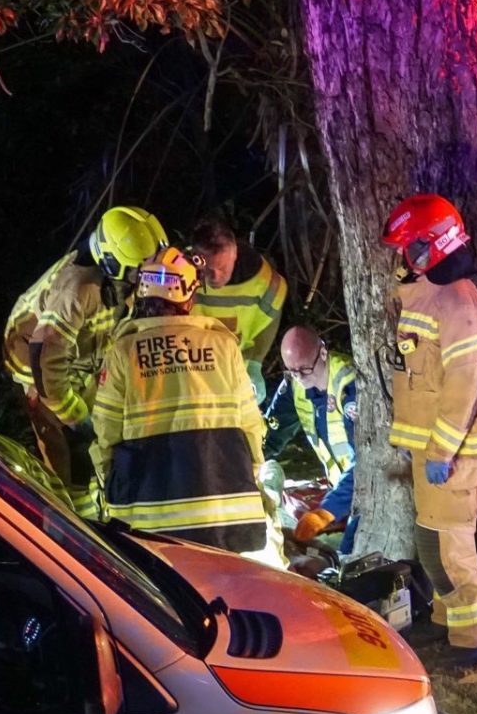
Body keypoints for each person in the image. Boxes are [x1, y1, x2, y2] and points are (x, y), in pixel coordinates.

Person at [382, 193, 477, 665]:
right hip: (434, 448)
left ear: (429, 248)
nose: (402, 258)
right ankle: (447, 621)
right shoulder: (432, 293)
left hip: (455, 451)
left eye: (408, 248)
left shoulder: (456, 303)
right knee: (430, 540)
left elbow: (466, 384)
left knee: (447, 547)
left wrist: (440, 450)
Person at [90, 248, 271, 555]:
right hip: (225, 516)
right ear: (188, 295)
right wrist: (252, 472)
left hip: (151, 521)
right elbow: (250, 425)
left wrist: (112, 487)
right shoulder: (223, 344)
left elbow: (107, 433)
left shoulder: (124, 351)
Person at [2, 206, 168, 516]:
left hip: (78, 358)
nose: (146, 276)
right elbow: (45, 352)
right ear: (113, 262)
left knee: (95, 435)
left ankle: (93, 500)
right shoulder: (78, 289)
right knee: (62, 441)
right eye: (139, 269)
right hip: (35, 365)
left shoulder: (117, 278)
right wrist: (71, 413)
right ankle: (67, 516)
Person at [266, 325, 361, 552]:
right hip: (340, 489)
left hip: (363, 491)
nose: (298, 377)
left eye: (304, 369)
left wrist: (326, 511)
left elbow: (367, 463)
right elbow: (271, 434)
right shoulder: (294, 383)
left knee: (351, 554)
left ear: (323, 354)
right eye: (291, 371)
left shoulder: (349, 387)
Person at [185, 219, 288, 402]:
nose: (215, 277)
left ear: (235, 254)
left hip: (236, 375)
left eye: (222, 268)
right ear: (195, 257)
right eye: (207, 269)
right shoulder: (180, 276)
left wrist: (256, 364)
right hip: (189, 373)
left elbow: (272, 315)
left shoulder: (264, 282)